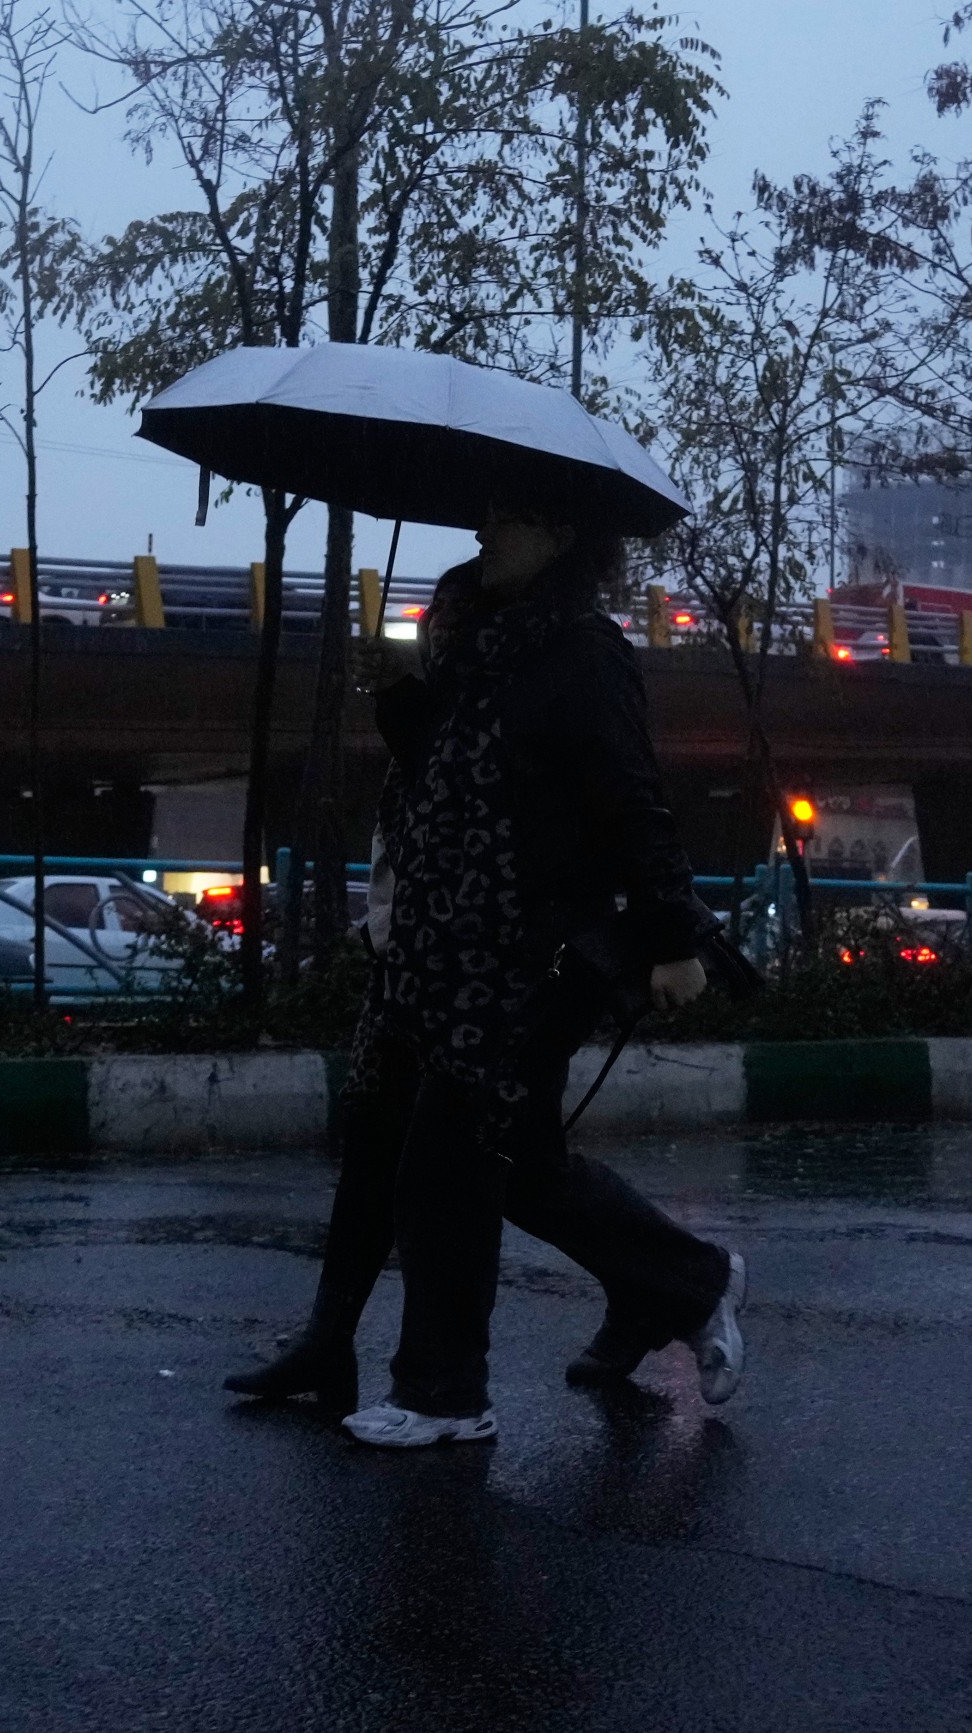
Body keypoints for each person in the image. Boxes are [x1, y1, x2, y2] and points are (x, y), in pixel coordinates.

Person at [224, 499, 746, 1447]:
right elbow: (451, 777)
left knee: (448, 1161)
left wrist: (675, 938)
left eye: (508, 519)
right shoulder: (478, 640)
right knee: (470, 1156)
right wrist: (402, 693)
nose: (481, 534)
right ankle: (673, 1282)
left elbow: (631, 796)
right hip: (433, 947)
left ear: (561, 533)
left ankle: (443, 1390)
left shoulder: (584, 652)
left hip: (520, 954)